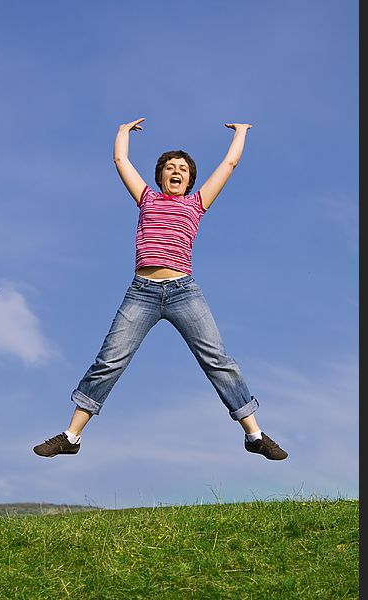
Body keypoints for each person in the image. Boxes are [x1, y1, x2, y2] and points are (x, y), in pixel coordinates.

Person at [33, 118, 288, 461]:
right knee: (109, 361)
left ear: (190, 179)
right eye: (170, 167)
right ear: (160, 177)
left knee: (218, 361)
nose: (176, 171)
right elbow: (121, 162)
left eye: (182, 168)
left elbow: (229, 164)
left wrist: (241, 133)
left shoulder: (197, 204)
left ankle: (254, 435)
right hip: (142, 293)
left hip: (184, 292)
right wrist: (122, 133)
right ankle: (71, 436)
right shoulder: (147, 199)